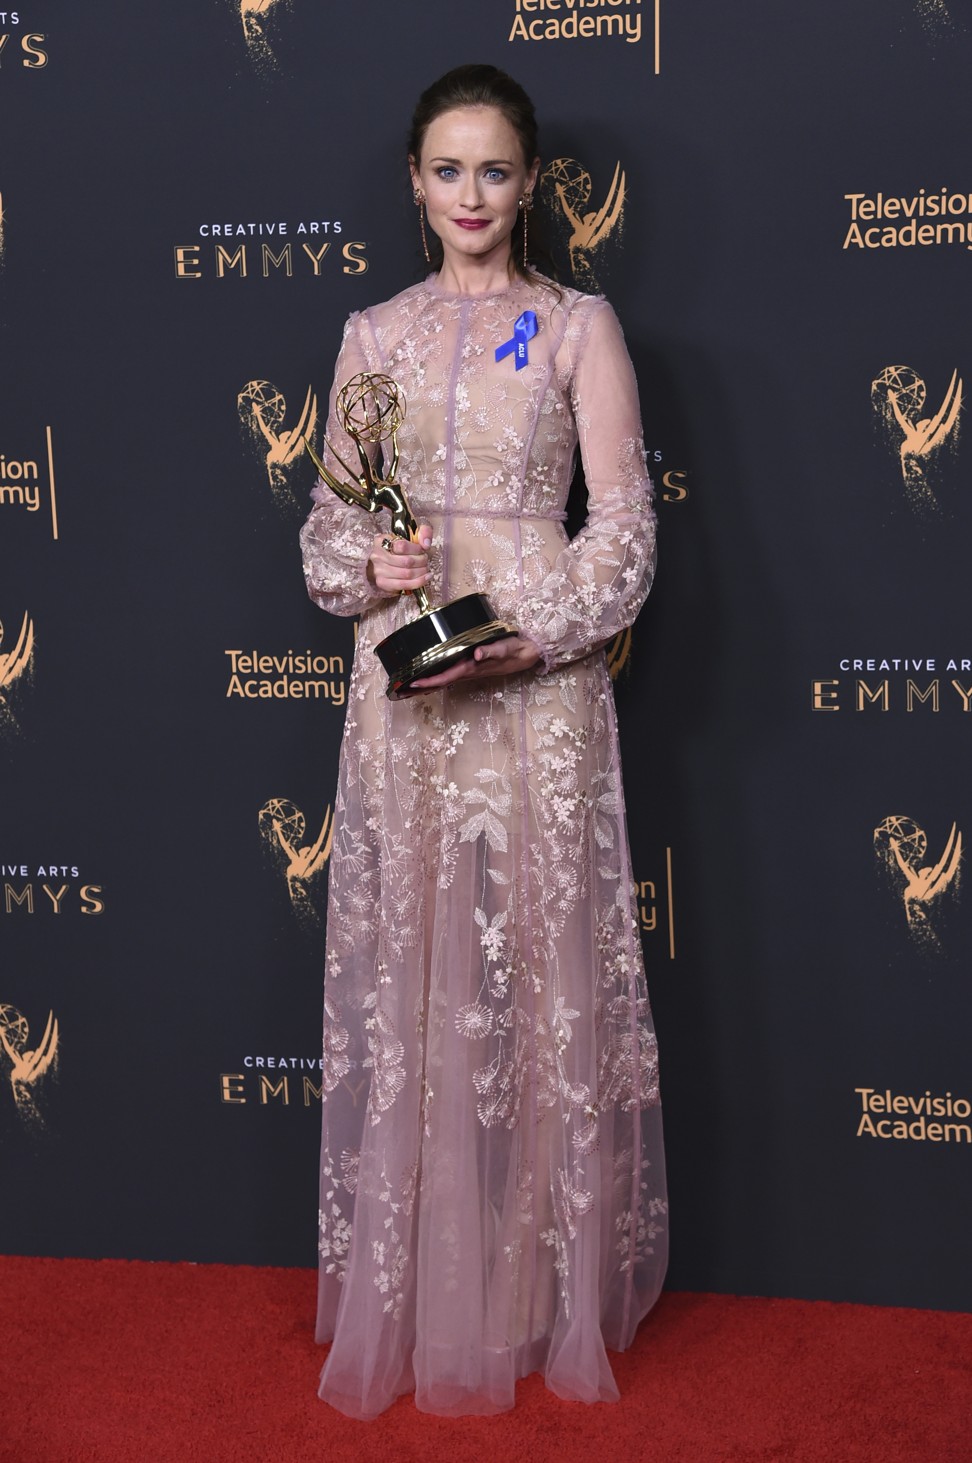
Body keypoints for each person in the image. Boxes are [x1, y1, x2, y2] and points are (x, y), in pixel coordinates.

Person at [300, 63, 667, 1420]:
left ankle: (527, 1300)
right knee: (416, 982)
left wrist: (545, 628)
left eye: (495, 170)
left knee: (534, 983)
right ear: (414, 179)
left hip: (537, 690)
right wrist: (376, 560)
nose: (471, 195)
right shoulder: (371, 335)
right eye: (447, 169)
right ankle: (410, 1293)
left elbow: (624, 529)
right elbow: (323, 541)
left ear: (530, 183)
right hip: (405, 692)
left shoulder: (578, 327)